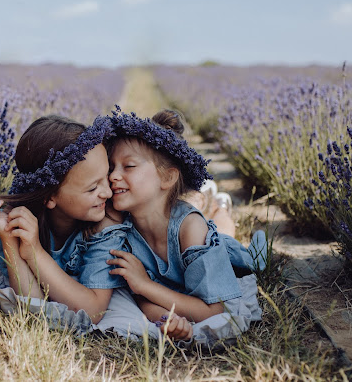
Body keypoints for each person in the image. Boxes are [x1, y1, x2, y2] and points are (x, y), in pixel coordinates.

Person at [103, 108, 267, 346]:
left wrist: (145, 284)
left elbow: (212, 311)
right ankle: (208, 202)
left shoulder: (190, 229)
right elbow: (141, 298)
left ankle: (220, 207)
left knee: (225, 237)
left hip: (222, 258)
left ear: (167, 178)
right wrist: (167, 319)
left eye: (128, 166)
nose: (113, 176)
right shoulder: (122, 228)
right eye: (111, 167)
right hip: (180, 269)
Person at [0, 115, 129, 329]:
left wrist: (35, 252)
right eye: (93, 188)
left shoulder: (106, 225)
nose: (108, 192)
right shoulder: (20, 219)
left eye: (107, 176)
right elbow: (31, 304)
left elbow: (93, 311)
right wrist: (8, 237)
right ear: (49, 197)